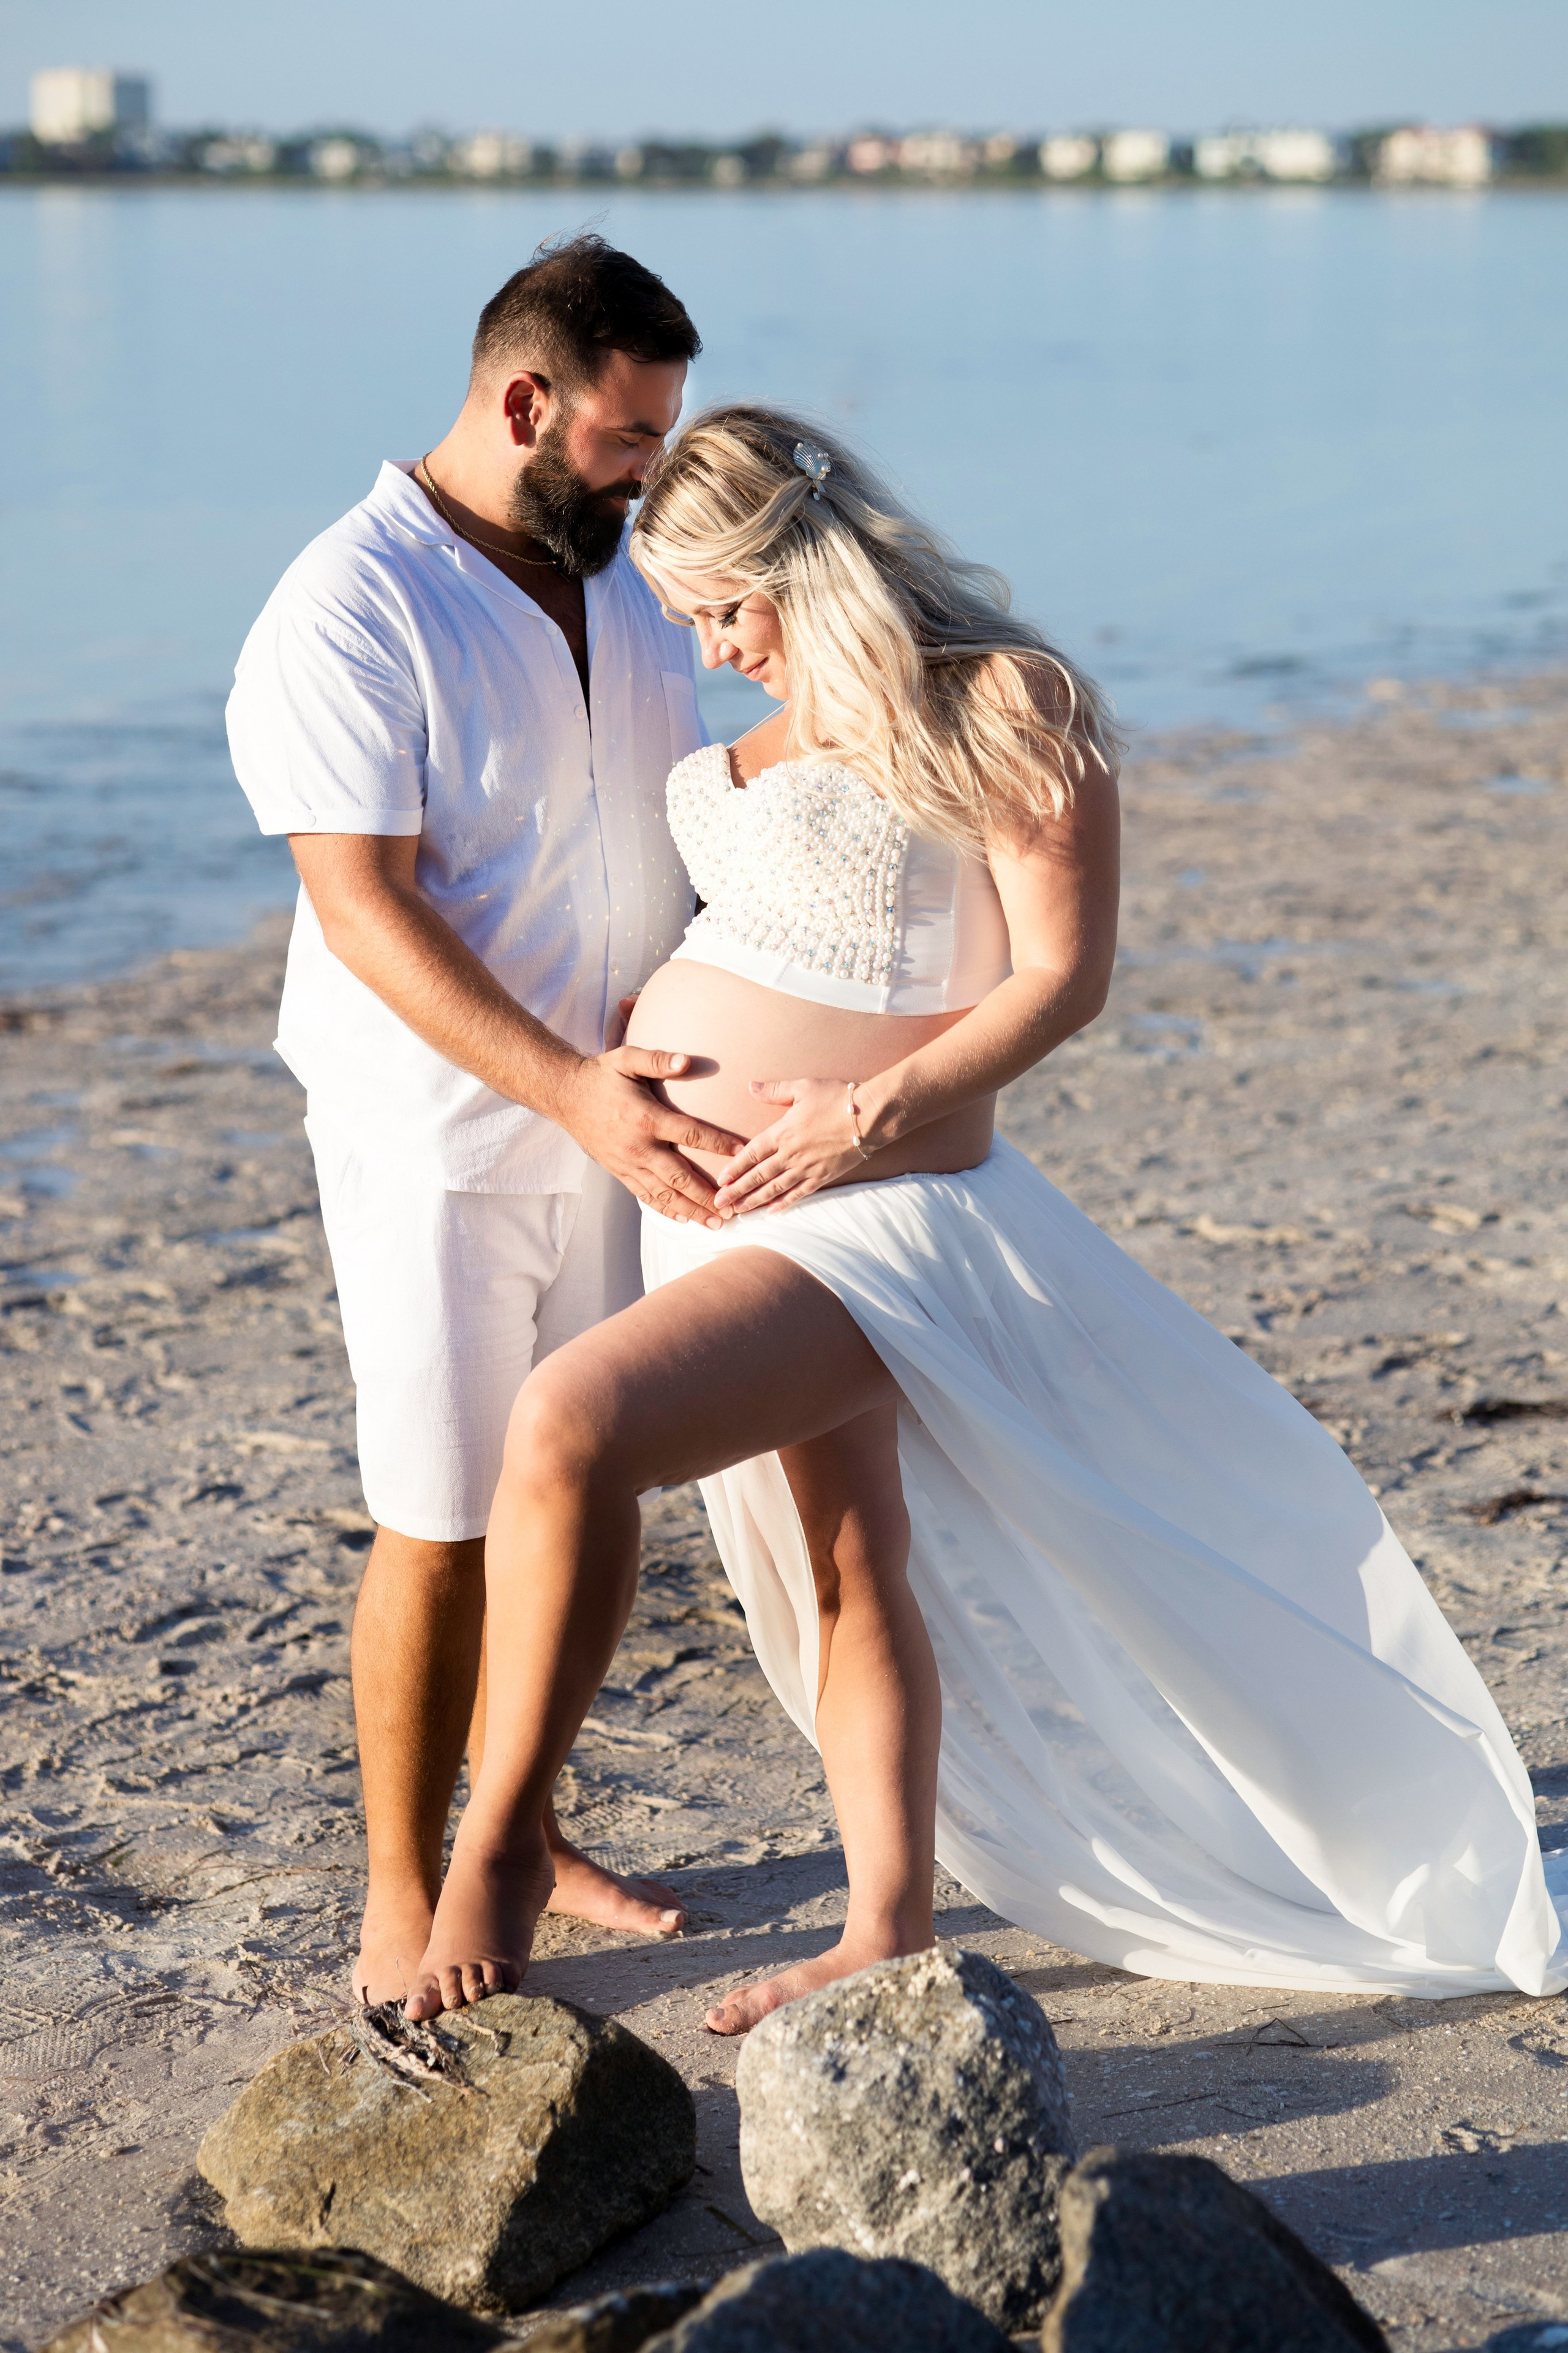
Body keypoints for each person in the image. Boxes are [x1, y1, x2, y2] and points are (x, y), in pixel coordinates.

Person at [402, 403, 1567, 2030]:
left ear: (802, 562)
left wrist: (860, 1111)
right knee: (848, 1555)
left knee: (569, 1425)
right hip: (719, 1205)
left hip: (877, 1212)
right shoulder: (733, 752)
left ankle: (504, 1836)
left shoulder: (1006, 699)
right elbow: (754, 936)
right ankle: (885, 1916)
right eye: (685, 625)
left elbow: (1061, 978)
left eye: (725, 611)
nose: (717, 651)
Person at [227, 237, 750, 2008]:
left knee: (585, 1481)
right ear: (523, 400)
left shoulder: (615, 572)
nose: (646, 471)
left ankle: (519, 1819)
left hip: (630, 1117)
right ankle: (400, 1872)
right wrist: (568, 1091)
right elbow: (364, 909)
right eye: (623, 434)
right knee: (440, 1514)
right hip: (439, 1137)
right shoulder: (346, 603)